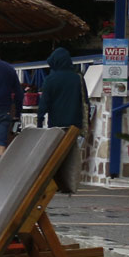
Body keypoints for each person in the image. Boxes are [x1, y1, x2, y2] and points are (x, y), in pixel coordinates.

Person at [40, 46, 89, 194]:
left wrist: (40, 120)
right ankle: (70, 184)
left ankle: (56, 182)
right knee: (71, 155)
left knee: (55, 155)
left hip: (56, 124)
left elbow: (44, 103)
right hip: (74, 124)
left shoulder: (50, 79)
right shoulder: (77, 78)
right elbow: (85, 100)